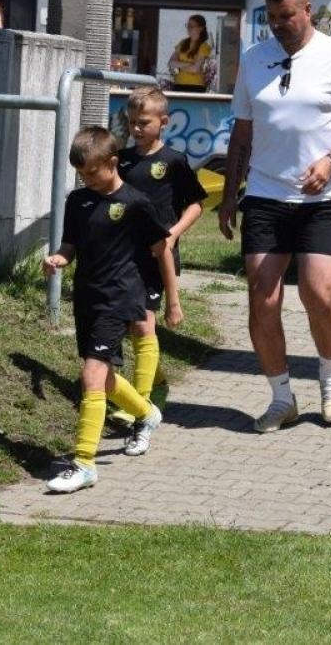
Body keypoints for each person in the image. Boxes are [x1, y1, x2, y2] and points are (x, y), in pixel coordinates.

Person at [219, 0, 331, 431]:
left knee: (318, 292)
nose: (279, 25)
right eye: (272, 17)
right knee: (261, 299)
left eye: (287, 16)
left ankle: (330, 376)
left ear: (308, 10)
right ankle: (281, 397)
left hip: (323, 194)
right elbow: (241, 134)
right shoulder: (253, 59)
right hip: (266, 194)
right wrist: (229, 197)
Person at [42, 127, 173, 491]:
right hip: (87, 296)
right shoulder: (77, 201)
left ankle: (84, 462)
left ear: (112, 162)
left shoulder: (135, 203)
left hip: (120, 298)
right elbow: (70, 245)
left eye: (91, 172)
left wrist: (172, 301)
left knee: (91, 376)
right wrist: (58, 259)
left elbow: (162, 251)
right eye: (81, 174)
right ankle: (147, 414)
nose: (85, 179)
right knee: (106, 379)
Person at [115, 87, 205, 416]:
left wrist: (172, 235)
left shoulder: (173, 162)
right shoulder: (120, 160)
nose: (137, 129)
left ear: (163, 122)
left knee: (143, 324)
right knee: (129, 325)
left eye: (144, 123)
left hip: (157, 255)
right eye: (132, 122)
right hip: (124, 255)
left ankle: (138, 403)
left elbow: (195, 206)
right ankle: (158, 382)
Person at [167, 14, 213, 92]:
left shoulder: (204, 46)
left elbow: (195, 69)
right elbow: (171, 63)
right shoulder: (183, 43)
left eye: (191, 26)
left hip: (196, 86)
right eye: (187, 26)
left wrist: (179, 64)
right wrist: (188, 64)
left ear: (200, 28)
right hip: (179, 83)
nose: (188, 28)